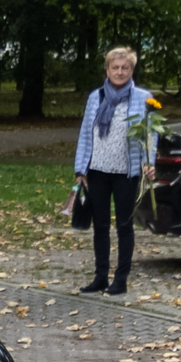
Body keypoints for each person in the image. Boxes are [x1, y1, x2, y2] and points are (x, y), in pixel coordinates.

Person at [70, 45, 155, 294]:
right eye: (115, 67)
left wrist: (149, 162)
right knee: (100, 226)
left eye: (124, 68)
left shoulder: (142, 97)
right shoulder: (96, 97)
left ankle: (121, 279)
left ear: (131, 70)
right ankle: (100, 277)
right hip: (96, 170)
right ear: (107, 70)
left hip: (126, 172)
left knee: (124, 226)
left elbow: (150, 134)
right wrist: (80, 169)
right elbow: (86, 134)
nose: (119, 72)